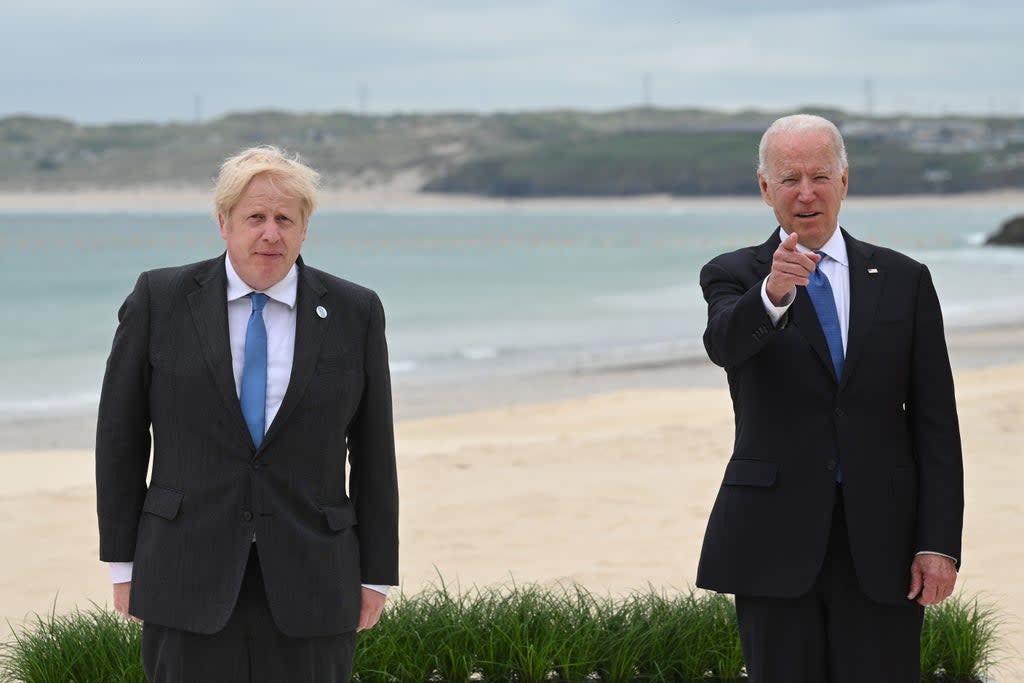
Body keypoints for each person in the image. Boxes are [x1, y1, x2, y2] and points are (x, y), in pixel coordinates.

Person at [95, 146, 399, 682]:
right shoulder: (159, 299)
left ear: (305, 228)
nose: (271, 234)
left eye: (286, 219)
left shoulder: (356, 311)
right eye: (255, 217)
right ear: (224, 223)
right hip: (184, 569)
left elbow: (375, 450)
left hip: (314, 574)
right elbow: (120, 437)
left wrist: (375, 575)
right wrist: (124, 563)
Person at [695, 114, 963, 682]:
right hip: (773, 536)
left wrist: (939, 542)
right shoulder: (734, 274)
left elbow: (936, 420)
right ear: (765, 188)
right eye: (789, 178)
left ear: (845, 179)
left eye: (819, 175)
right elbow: (725, 345)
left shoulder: (904, 278)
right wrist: (773, 292)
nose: (806, 193)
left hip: (884, 540)